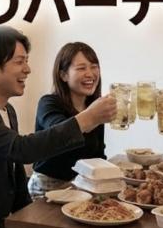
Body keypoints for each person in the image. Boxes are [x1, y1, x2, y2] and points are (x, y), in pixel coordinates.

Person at [0, 26, 117, 228]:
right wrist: (87, 119)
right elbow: (21, 150)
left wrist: (30, 217)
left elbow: (15, 170)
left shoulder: (7, 109)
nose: (27, 69)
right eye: (19, 62)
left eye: (26, 61)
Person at [27, 42, 107, 199]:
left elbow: (98, 155)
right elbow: (59, 132)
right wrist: (91, 116)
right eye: (81, 68)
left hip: (82, 187)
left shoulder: (94, 107)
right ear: (63, 75)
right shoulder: (49, 103)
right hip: (47, 188)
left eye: (94, 67)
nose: (90, 74)